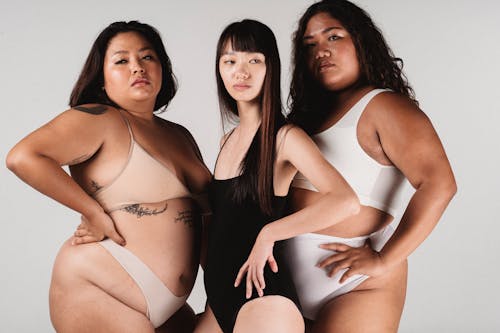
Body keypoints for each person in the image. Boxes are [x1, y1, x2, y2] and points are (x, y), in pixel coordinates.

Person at [6, 21, 211, 333]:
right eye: (121, 60)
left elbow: (206, 216)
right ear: (101, 78)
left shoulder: (179, 135)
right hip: (99, 289)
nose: (137, 68)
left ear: (162, 69)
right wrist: (91, 211)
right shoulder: (99, 119)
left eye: (147, 57)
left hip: (170, 306)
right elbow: (23, 157)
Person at [284, 1, 457, 332]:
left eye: (333, 37)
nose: (321, 51)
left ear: (361, 41)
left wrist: (383, 260)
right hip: (290, 287)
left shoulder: (384, 105)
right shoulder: (306, 120)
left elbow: (440, 184)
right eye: (310, 45)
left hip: (359, 287)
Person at [194, 19, 360, 333]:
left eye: (253, 60)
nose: (240, 72)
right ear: (219, 69)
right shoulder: (227, 140)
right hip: (219, 301)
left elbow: (345, 201)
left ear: (271, 68)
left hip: (265, 299)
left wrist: (269, 234)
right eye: (230, 61)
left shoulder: (285, 138)